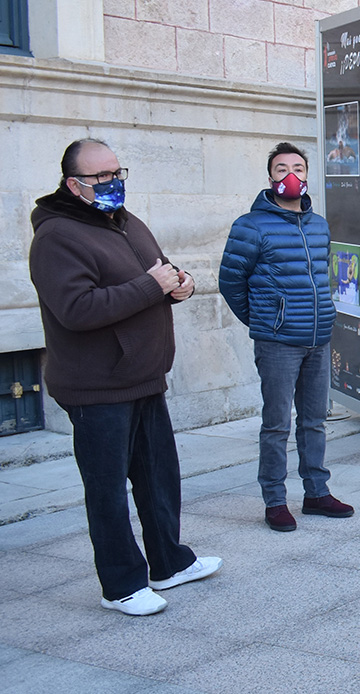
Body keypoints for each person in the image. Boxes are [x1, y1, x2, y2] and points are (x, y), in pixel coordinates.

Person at [30, 139, 221, 616]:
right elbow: (76, 309)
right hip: (97, 387)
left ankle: (169, 562)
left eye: (118, 172)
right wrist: (150, 287)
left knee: (159, 478)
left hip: (144, 375)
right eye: (102, 177)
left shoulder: (125, 221)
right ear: (74, 184)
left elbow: (156, 272)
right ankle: (120, 586)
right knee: (109, 490)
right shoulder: (56, 237)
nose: (114, 183)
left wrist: (180, 283)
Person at [220, 142, 353, 532]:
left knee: (314, 421)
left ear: (308, 176)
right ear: (270, 178)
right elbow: (230, 282)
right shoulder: (251, 225)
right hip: (278, 342)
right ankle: (275, 501)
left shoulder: (318, 224)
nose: (291, 175)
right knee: (276, 424)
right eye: (282, 169)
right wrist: (265, 322)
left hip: (318, 336)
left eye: (297, 167)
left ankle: (316, 493)